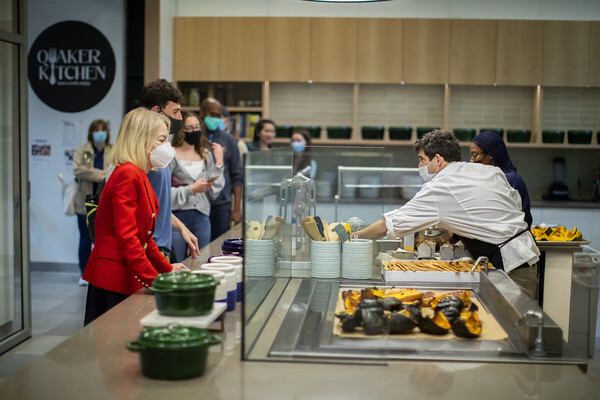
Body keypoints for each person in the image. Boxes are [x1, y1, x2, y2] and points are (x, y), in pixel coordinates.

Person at [358, 130, 540, 299]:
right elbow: (515, 204)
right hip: (523, 258)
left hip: (511, 267)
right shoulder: (487, 170)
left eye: (421, 159)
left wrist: (353, 236)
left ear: (437, 159)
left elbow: (387, 226)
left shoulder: (441, 186)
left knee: (514, 326)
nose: (419, 165)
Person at [83, 108, 189, 325]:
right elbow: (129, 239)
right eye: (161, 140)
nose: (166, 147)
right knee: (111, 348)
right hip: (113, 277)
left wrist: (166, 269)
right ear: (141, 140)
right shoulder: (128, 174)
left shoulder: (139, 173)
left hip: (122, 273)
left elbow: (145, 238)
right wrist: (155, 281)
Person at [138, 79, 200, 262]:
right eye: (176, 112)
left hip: (160, 249)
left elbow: (158, 206)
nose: (180, 117)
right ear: (157, 111)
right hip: (148, 252)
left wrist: (181, 228)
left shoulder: (161, 153)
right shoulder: (139, 156)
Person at [170, 112, 225, 261]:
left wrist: (219, 164)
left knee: (200, 262)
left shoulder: (205, 154)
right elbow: (163, 194)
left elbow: (213, 193)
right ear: (181, 131)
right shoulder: (171, 155)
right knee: (179, 262)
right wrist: (191, 190)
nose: (195, 131)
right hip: (177, 218)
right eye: (190, 127)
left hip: (202, 217)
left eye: (197, 127)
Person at [73, 119, 111, 286]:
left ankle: (102, 273)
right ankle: (84, 273)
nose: (100, 133)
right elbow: (79, 170)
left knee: (105, 240)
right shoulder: (83, 151)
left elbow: (115, 169)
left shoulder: (113, 149)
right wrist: (100, 174)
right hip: (85, 202)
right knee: (85, 240)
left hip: (105, 202)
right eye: (97, 130)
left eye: (103, 130)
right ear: (91, 132)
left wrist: (101, 174)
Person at [200, 98, 244, 240]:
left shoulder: (229, 140)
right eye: (212, 114)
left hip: (222, 204)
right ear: (202, 113)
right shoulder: (196, 138)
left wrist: (236, 209)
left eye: (218, 116)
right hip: (199, 202)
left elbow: (237, 176)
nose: (215, 119)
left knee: (219, 245)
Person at [470, 131, 533, 229]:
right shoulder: (483, 178)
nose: (471, 160)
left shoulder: (511, 180)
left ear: (490, 155)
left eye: (475, 155)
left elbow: (523, 220)